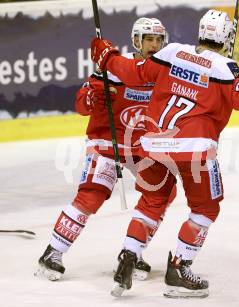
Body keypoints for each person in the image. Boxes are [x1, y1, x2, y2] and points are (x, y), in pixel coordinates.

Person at [91, 9, 239, 298]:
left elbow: (133, 73)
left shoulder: (172, 53)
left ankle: (129, 253)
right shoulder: (226, 68)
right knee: (206, 208)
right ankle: (180, 268)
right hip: (194, 149)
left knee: (154, 198)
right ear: (227, 37)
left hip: (152, 144)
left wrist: (109, 57)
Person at [36, 17, 175, 282]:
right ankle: (53, 252)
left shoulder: (164, 72)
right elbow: (80, 105)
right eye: (149, 39)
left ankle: (132, 253)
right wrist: (91, 97)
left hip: (141, 146)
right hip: (107, 142)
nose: (154, 45)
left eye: (158, 40)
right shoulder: (112, 69)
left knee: (164, 191)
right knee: (92, 195)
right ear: (136, 41)